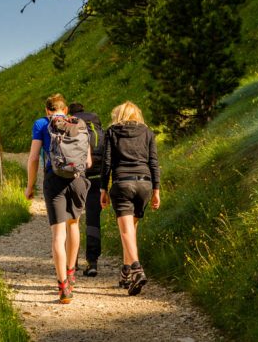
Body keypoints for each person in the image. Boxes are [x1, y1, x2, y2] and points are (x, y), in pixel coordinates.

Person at [25, 94, 91, 304]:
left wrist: (29, 187)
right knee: (74, 226)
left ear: (48, 110)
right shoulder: (78, 123)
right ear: (65, 109)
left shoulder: (41, 124)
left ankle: (63, 286)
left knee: (57, 234)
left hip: (54, 179)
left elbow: (34, 157)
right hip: (78, 179)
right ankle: (71, 273)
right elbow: (88, 161)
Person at [100, 101, 161, 296]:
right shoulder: (147, 132)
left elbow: (107, 162)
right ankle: (126, 272)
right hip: (144, 183)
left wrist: (103, 188)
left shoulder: (112, 132)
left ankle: (136, 269)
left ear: (118, 115)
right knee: (131, 230)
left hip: (123, 183)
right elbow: (154, 162)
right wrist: (156, 190)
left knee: (125, 230)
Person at [69, 102, 105, 277]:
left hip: (77, 176)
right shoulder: (96, 124)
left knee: (72, 218)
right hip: (96, 176)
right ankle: (92, 262)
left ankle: (72, 262)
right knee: (93, 220)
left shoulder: (70, 123)